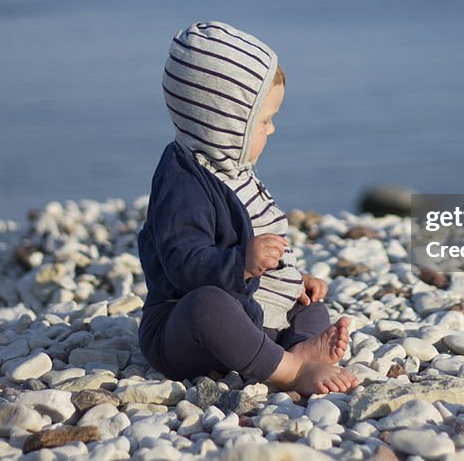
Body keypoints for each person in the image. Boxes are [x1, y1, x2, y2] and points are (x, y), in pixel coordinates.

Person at [137, 21, 359, 395]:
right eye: (266, 120)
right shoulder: (183, 181)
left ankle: (299, 347)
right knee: (208, 307)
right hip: (181, 329)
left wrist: (287, 279)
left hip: (252, 309)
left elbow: (256, 234)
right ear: (224, 123)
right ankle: (289, 370)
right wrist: (242, 263)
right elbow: (183, 263)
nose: (272, 130)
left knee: (310, 305)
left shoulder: (232, 168)